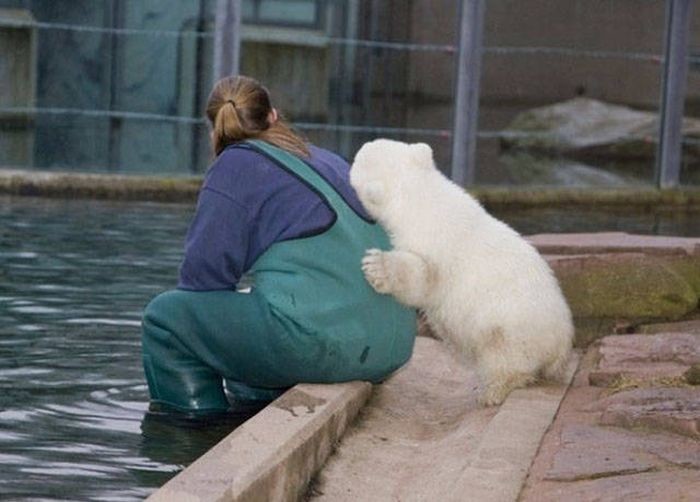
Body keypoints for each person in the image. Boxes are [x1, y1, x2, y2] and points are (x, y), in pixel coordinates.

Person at [141, 75, 417, 419]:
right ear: (273, 115)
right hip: (392, 344)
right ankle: (253, 405)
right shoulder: (325, 159)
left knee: (167, 319)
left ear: (214, 131)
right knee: (253, 323)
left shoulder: (233, 165)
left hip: (325, 345)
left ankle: (192, 433)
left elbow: (203, 282)